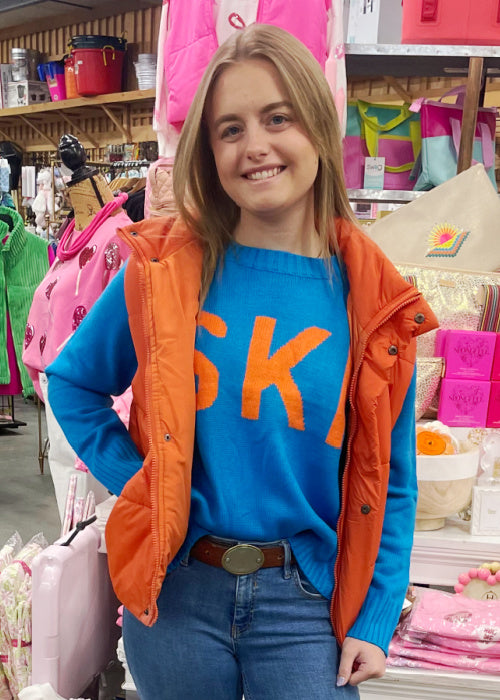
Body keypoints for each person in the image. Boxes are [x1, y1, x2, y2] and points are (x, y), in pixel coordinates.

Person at [46, 24, 438, 700]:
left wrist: (375, 617)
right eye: (230, 129)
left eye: (277, 118)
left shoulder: (373, 299)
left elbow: (392, 479)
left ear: (317, 126)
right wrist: (142, 483)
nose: (254, 146)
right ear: (209, 150)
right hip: (177, 593)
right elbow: (74, 385)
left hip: (306, 603)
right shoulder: (164, 269)